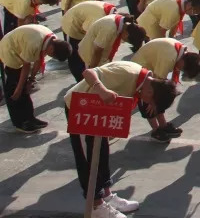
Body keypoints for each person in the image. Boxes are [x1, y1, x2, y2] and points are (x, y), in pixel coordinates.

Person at [65, 61, 178, 217]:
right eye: (150, 102)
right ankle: (96, 206)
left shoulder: (141, 84)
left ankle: (106, 196)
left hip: (98, 112)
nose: (146, 104)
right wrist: (101, 89)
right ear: (151, 92)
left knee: (102, 153)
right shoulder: (128, 73)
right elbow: (88, 73)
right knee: (88, 159)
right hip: (80, 109)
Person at [1, 24, 72, 132]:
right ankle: (20, 123)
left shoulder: (52, 41)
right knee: (14, 88)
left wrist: (31, 79)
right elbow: (26, 66)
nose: (50, 56)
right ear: (52, 49)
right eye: (52, 55)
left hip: (21, 46)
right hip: (10, 50)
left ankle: (30, 118)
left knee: (25, 88)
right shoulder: (34, 44)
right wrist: (18, 89)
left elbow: (39, 60)